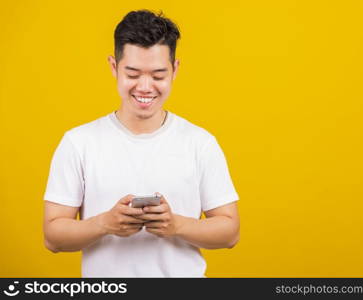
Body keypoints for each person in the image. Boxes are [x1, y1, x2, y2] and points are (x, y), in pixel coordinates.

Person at [43, 9, 240, 277]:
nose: (145, 87)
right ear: (114, 67)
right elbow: (52, 236)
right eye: (133, 74)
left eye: (158, 75)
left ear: (175, 70)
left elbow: (230, 232)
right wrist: (104, 223)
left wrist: (176, 225)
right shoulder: (79, 143)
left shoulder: (200, 143)